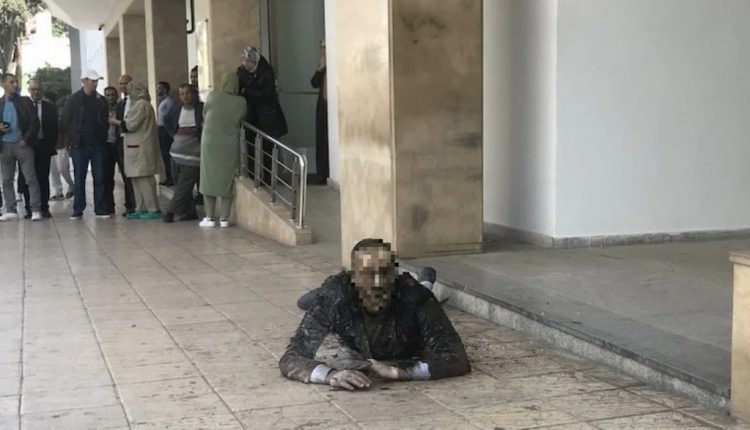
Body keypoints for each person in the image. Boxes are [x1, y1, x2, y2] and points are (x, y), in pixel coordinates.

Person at [279, 239, 470, 390]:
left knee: (423, 292)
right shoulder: (335, 298)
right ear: (353, 277)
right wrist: (330, 375)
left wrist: (401, 372)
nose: (378, 283)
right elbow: (291, 358)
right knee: (306, 302)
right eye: (368, 273)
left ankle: (426, 281)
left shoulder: (416, 297)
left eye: (384, 272)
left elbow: (457, 358)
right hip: (337, 291)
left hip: (412, 297)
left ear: (394, 275)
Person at [108, 81, 164, 220]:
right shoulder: (139, 104)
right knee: (136, 179)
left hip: (141, 148)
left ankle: (153, 208)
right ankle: (141, 207)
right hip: (134, 148)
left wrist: (115, 121)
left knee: (145, 179)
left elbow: (130, 125)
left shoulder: (142, 105)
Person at [60, 70, 110, 219]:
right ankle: (78, 209)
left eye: (96, 81)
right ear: (84, 81)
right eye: (92, 81)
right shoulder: (73, 100)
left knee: (100, 176)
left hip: (97, 144)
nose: (95, 84)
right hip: (79, 144)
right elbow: (65, 121)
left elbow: (105, 121)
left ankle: (100, 208)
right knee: (79, 177)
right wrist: (69, 140)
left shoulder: (101, 100)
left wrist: (103, 136)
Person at [199, 72, 246, 228]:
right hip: (229, 143)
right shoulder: (241, 101)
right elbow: (242, 118)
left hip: (210, 142)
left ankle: (210, 217)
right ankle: (224, 218)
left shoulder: (213, 96)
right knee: (227, 179)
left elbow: (205, 113)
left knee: (208, 179)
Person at [237, 46, 287, 185]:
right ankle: (253, 178)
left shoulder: (266, 71)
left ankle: (268, 180)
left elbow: (267, 94)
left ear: (255, 61)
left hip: (267, 116)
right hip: (251, 116)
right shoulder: (241, 72)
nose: (245, 64)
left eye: (248, 61)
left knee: (268, 149)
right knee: (251, 147)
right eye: (244, 61)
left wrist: (248, 91)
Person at [0, 73, 42, 221]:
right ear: (3, 84)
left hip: (22, 144)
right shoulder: (0, 103)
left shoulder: (24, 102)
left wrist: (26, 139)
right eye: (11, 82)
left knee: (30, 178)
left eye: (16, 82)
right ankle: (10, 209)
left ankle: (35, 209)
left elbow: (34, 122)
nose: (15, 84)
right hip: (4, 145)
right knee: (6, 180)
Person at [17, 79, 57, 218]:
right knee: (27, 178)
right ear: (29, 90)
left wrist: (51, 145)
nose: (36, 92)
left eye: (38, 89)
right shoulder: (22, 106)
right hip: (26, 146)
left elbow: (54, 128)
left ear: (42, 90)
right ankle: (30, 208)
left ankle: (44, 207)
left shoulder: (49, 107)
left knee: (43, 177)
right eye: (33, 89)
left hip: (43, 146)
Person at [163, 83, 203, 223]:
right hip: (175, 154)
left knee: (183, 187)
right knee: (180, 184)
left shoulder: (201, 109)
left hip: (193, 156)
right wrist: (173, 134)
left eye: (188, 93)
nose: (185, 96)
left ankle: (170, 212)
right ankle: (190, 212)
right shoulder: (176, 109)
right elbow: (166, 121)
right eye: (182, 94)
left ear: (194, 94)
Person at [114, 74, 136, 216]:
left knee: (133, 175)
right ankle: (129, 205)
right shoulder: (121, 103)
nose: (123, 86)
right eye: (121, 83)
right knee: (125, 174)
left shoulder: (137, 102)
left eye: (125, 83)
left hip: (134, 142)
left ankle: (135, 204)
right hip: (121, 142)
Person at [48, 94, 74, 201]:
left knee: (62, 168)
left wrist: (68, 143)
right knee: (53, 170)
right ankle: (58, 191)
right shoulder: (53, 117)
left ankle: (71, 185)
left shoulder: (69, 118)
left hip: (62, 146)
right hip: (51, 146)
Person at [310, 40, 329, 185]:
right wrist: (320, 69)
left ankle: (329, 172)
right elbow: (314, 83)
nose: (322, 50)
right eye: (321, 47)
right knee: (321, 139)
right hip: (322, 106)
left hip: (331, 105)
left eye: (324, 47)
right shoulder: (323, 65)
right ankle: (321, 173)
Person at [103, 86, 120, 214]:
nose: (110, 97)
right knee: (107, 177)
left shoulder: (122, 108)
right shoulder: (101, 110)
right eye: (108, 95)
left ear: (117, 96)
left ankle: (130, 205)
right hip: (106, 145)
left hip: (120, 144)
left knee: (126, 176)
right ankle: (109, 206)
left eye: (113, 95)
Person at [156, 81, 176, 186]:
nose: (157, 90)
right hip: (161, 129)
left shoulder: (169, 102)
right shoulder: (163, 101)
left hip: (165, 130)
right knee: (164, 155)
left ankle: (171, 178)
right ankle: (167, 177)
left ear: (165, 89)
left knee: (167, 154)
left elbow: (171, 117)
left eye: (159, 88)